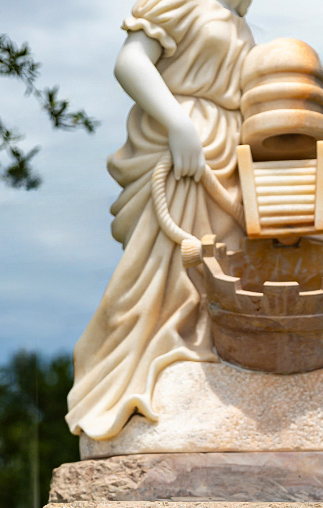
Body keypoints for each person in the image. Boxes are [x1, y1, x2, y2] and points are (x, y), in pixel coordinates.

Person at [66, 0, 254, 441]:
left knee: (225, 265)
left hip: (231, 157)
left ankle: (213, 351)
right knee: (169, 266)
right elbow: (130, 62)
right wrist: (177, 124)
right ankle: (142, 362)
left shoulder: (243, 25)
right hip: (183, 150)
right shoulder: (183, 1)